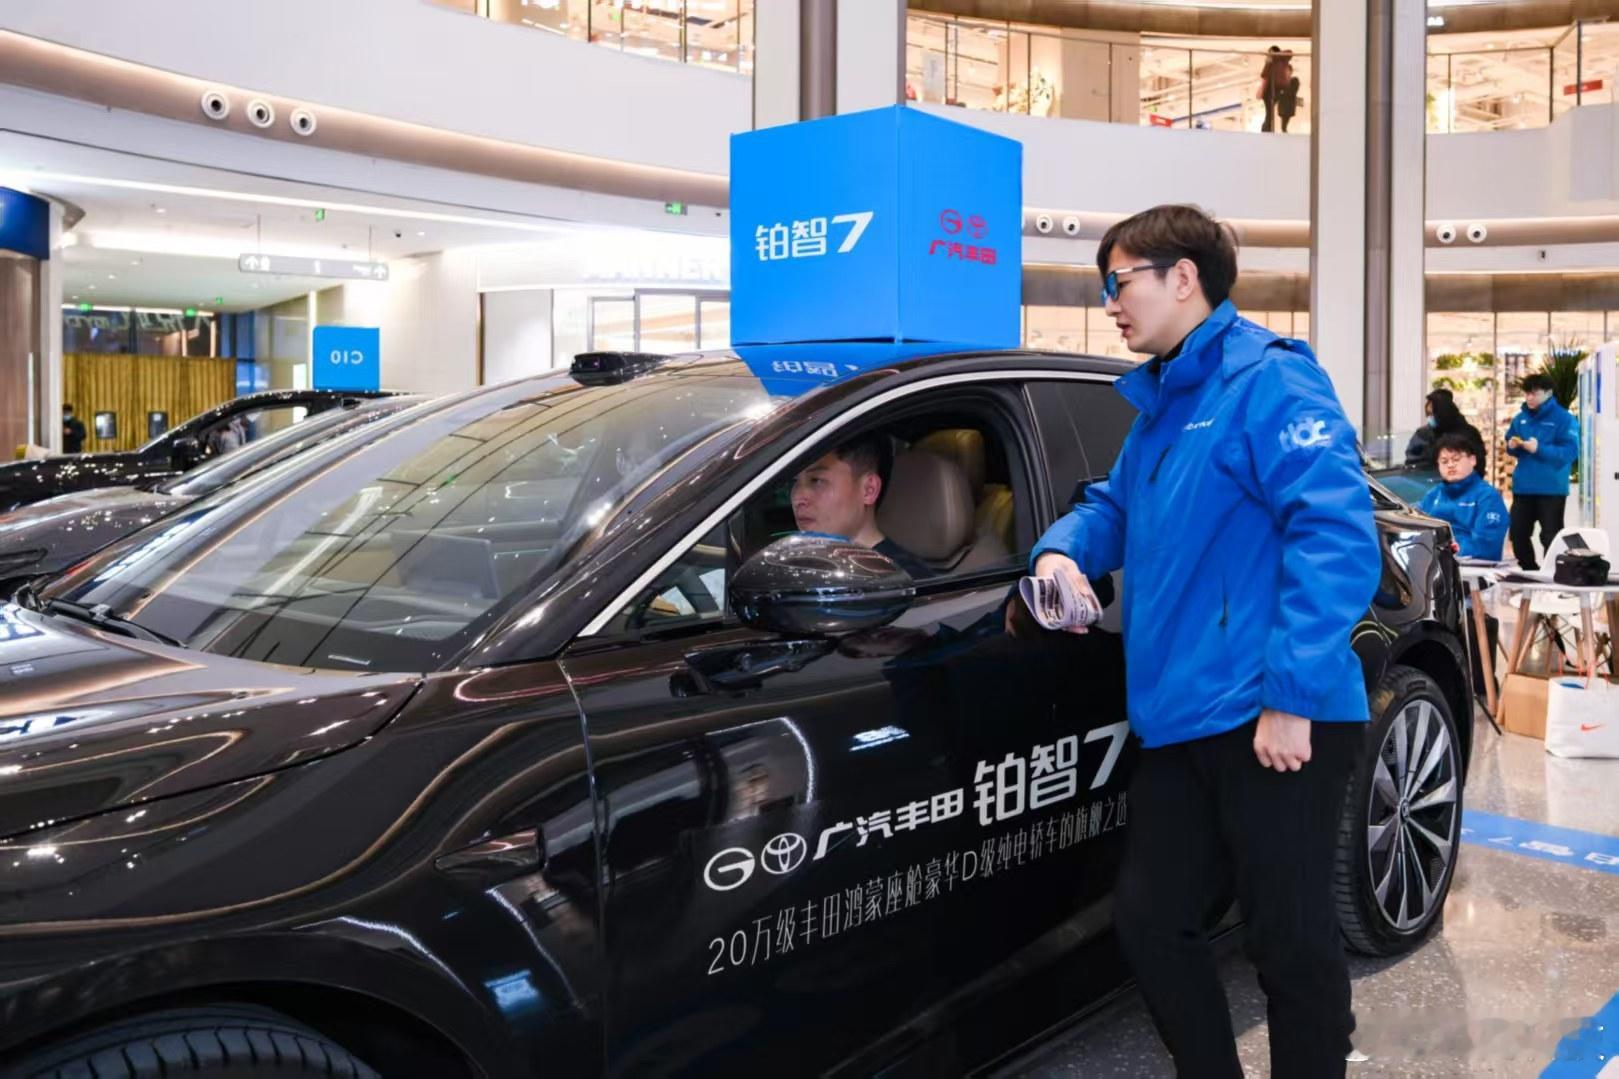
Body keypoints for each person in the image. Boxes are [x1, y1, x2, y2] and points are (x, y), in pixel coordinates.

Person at [1027, 204, 1380, 1079]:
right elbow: (1111, 507)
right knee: (1151, 920)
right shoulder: (1160, 404)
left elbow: (1335, 536)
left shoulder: (1269, 380)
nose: (1110, 303)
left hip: (1271, 715)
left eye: (1117, 282)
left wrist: (1291, 696)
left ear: (1182, 277)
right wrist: (1062, 552)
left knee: (1288, 939)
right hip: (1180, 715)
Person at [790, 434, 932, 579]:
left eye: (816, 480)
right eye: (794, 482)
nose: (797, 498)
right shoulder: (805, 564)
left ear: (869, 490)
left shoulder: (901, 580)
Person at [1505, 372, 1580, 570]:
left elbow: (1570, 452)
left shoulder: (1564, 419)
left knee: (1551, 536)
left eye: (1535, 393)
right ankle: (1529, 570)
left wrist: (1539, 449)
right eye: (1527, 393)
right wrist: (1512, 446)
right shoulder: (1520, 418)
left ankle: (1549, 574)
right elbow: (1510, 441)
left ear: (1548, 393)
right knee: (1517, 533)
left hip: (1552, 489)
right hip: (1523, 488)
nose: (1529, 398)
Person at [1419, 433, 1509, 559]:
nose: (1450, 465)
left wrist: (1445, 550)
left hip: (1472, 566)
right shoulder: (1432, 496)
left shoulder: (1488, 497)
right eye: (1444, 461)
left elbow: (1487, 546)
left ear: (1472, 460)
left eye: (1456, 459)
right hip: (1434, 562)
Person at [1405, 389, 1486, 476]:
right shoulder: (1423, 434)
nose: (1430, 418)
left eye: (1432, 414)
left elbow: (1479, 463)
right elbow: (1412, 461)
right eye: (1428, 414)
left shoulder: (1469, 434)